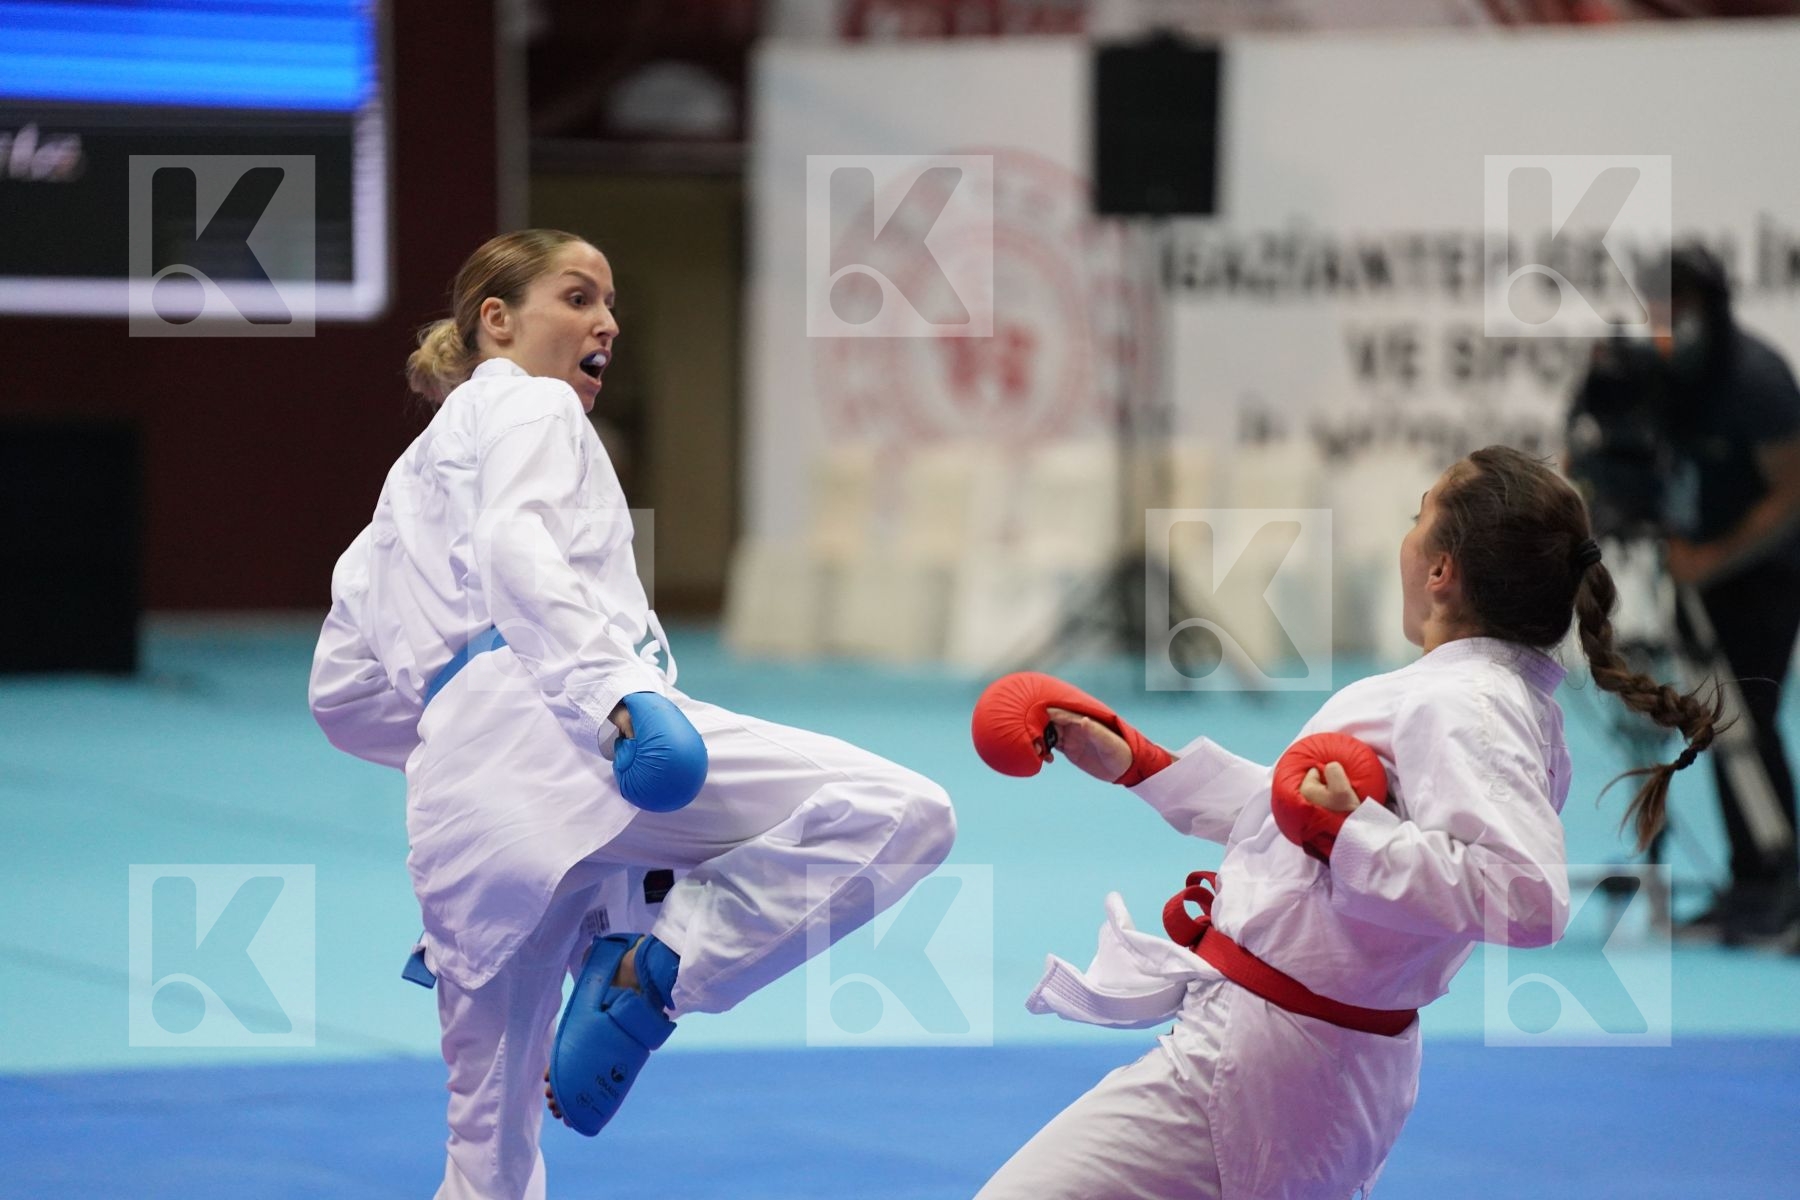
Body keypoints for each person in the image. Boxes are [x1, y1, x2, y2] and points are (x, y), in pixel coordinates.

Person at [308, 228, 956, 1200]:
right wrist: (614, 697)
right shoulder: (531, 404)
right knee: (904, 815)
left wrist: (461, 739)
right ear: (497, 321)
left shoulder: (402, 493)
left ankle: (635, 944)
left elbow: (343, 698)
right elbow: (515, 549)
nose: (605, 320)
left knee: (487, 1159)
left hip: (466, 826)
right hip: (585, 746)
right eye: (576, 297)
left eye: (609, 303)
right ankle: (655, 970)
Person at [970, 444, 1720, 1200]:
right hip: (1295, 1050)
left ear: (1441, 570)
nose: (1406, 537)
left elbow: (1528, 897)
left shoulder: (1461, 703)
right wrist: (1139, 763)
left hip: (1281, 1056)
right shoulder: (1469, 696)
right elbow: (1293, 824)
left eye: (1416, 517)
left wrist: (1347, 833)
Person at [1645, 245, 1800, 947]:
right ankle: (1749, 880)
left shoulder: (1757, 381)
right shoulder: (1653, 373)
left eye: (1675, 310)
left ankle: (1779, 880)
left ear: (1707, 310)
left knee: (1751, 718)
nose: (1662, 325)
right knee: (1713, 724)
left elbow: (1792, 493)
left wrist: (1714, 556)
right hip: (1690, 570)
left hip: (1763, 572)